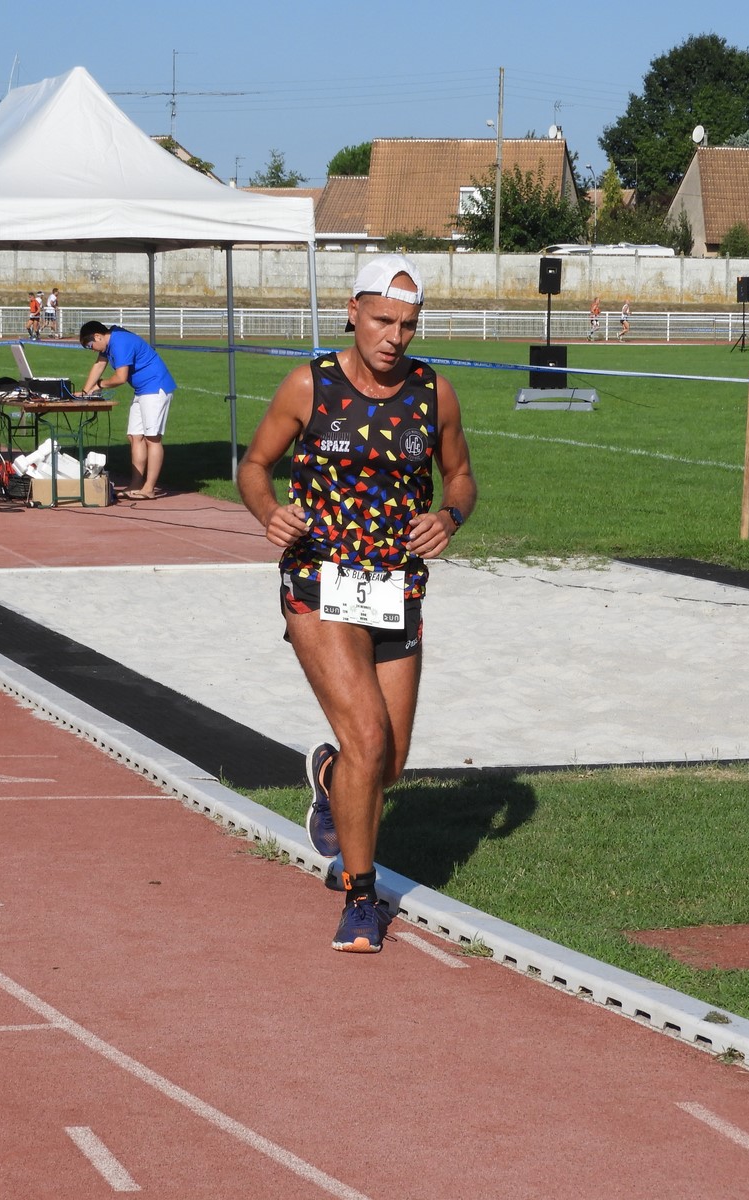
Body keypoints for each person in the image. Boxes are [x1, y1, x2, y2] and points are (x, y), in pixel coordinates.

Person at [237, 253, 477, 953]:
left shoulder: (434, 394)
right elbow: (254, 466)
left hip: (397, 585)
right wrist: (269, 513)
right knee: (367, 737)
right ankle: (361, 898)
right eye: (381, 321)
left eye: (407, 324)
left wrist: (449, 517)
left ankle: (328, 775)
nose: (394, 337)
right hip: (318, 580)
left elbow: (461, 477)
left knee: (386, 763)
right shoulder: (309, 385)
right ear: (353, 312)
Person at [77, 320, 178, 500]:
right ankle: (136, 484)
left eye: (90, 345)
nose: (91, 349)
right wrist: (85, 391)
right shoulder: (109, 342)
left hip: (155, 388)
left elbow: (120, 377)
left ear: (98, 336)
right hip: (142, 390)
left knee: (152, 438)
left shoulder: (120, 342)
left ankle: (149, 488)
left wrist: (99, 385)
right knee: (134, 436)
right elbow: (99, 365)